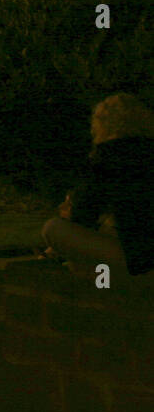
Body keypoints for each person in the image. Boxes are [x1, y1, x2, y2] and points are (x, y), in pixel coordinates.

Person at [42, 93, 154, 278]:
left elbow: (84, 215)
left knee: (53, 228)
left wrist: (69, 212)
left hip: (140, 259)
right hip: (141, 249)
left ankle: (92, 276)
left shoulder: (108, 156)